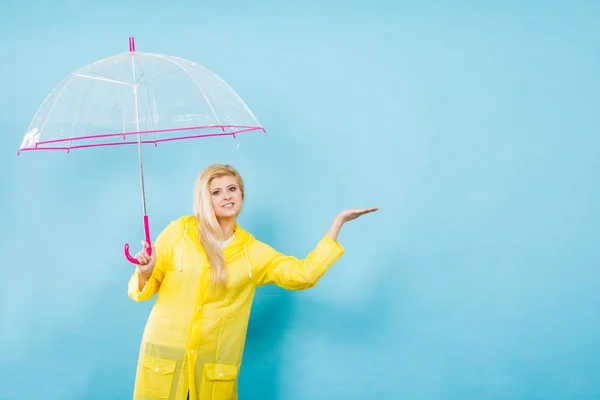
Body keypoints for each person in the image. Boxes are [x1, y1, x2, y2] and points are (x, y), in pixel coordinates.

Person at [127, 164, 378, 400]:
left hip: (212, 369)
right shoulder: (178, 233)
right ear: (205, 199)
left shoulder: (252, 252)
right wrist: (145, 272)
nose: (226, 196)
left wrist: (337, 224)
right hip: (166, 359)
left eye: (232, 189)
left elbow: (303, 275)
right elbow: (142, 290)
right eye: (217, 192)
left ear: (242, 195)